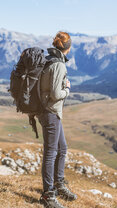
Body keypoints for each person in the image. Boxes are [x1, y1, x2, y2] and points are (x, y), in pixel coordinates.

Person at [38, 31, 77, 208]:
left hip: (49, 111)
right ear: (68, 48)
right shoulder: (59, 65)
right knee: (51, 152)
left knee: (62, 148)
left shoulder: (48, 59)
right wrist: (67, 90)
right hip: (50, 112)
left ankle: (59, 184)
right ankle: (48, 195)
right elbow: (55, 94)